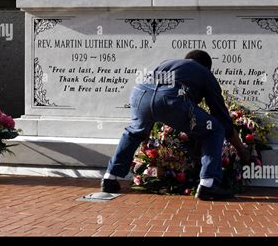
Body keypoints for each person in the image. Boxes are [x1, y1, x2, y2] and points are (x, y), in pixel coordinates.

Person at [101, 50, 250, 200]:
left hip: (140, 93)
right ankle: (209, 184)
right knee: (215, 129)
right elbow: (222, 117)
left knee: (135, 132)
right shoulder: (205, 73)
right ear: (207, 67)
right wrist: (242, 151)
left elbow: (154, 98)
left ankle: (109, 178)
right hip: (171, 97)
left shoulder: (168, 63)